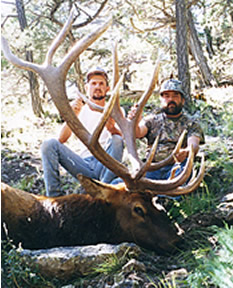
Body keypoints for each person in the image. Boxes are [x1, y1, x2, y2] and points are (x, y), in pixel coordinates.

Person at [41, 67, 124, 197]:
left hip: (106, 165)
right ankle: (54, 196)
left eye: (101, 83)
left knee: (117, 139)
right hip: (84, 164)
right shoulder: (80, 110)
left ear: (107, 89)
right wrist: (72, 116)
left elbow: (120, 145)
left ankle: (102, 190)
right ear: (86, 87)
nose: (97, 86)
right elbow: (61, 139)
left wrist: (112, 128)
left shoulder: (116, 111)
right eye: (94, 83)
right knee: (49, 144)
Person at [127, 78, 205, 181]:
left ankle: (164, 196)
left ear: (183, 100)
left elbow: (194, 145)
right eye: (166, 96)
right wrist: (135, 120)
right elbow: (137, 133)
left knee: (183, 171)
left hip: (176, 166)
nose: (170, 99)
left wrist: (186, 152)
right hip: (151, 168)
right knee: (120, 183)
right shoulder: (151, 120)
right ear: (161, 100)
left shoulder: (191, 124)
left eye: (175, 96)